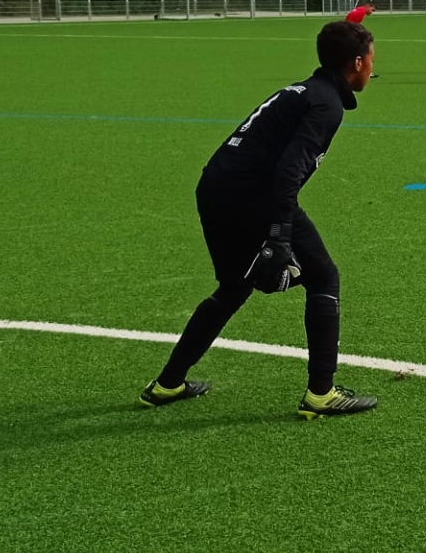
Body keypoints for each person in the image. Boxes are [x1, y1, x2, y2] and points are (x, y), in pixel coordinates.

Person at [140, 20, 379, 418]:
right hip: (253, 196)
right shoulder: (326, 105)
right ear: (357, 62)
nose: (372, 67)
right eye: (371, 59)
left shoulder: (302, 91)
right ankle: (321, 393)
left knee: (233, 287)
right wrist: (278, 235)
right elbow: (288, 173)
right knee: (324, 278)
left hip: (214, 189)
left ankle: (168, 384)